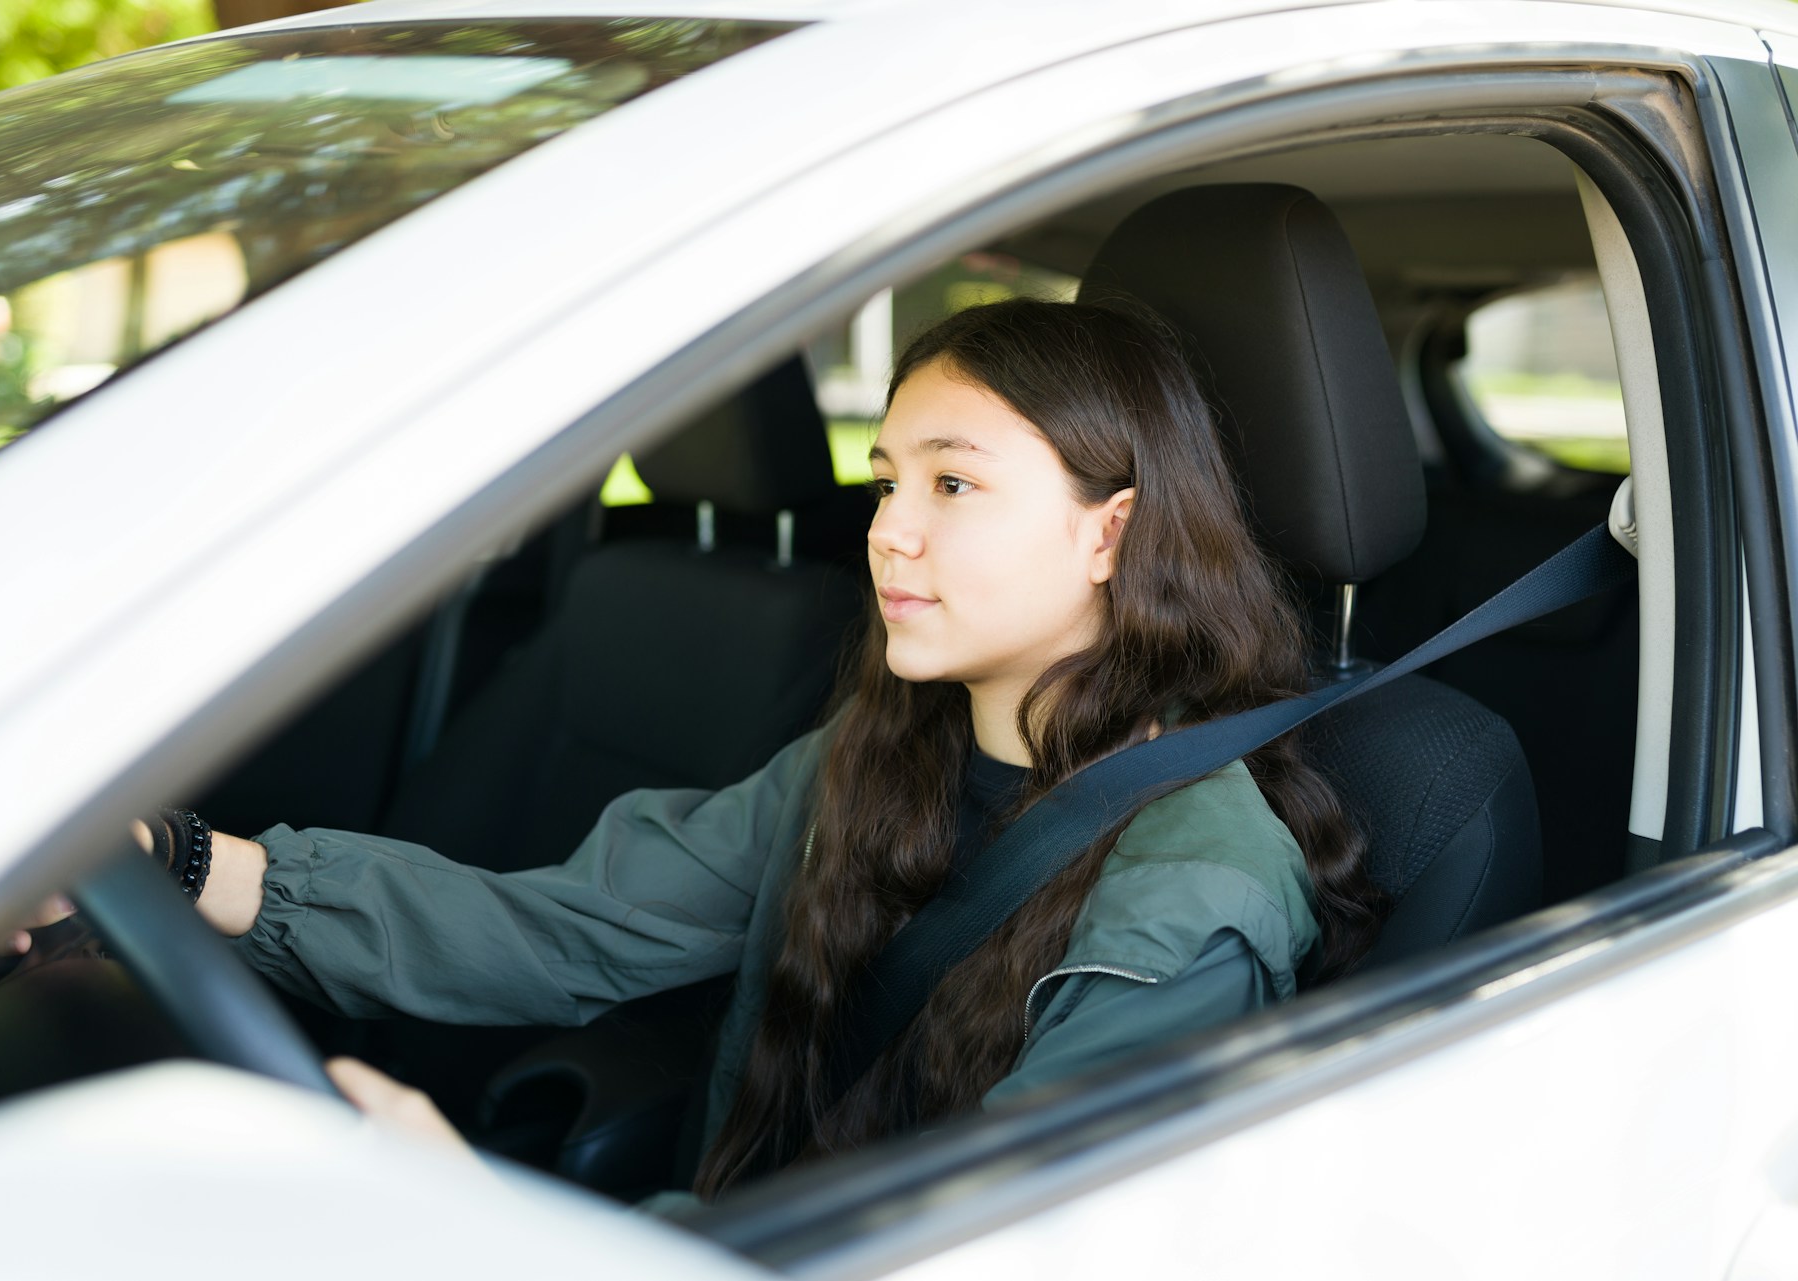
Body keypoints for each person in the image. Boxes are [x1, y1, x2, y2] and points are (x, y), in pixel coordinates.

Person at [158, 296, 1385, 1201]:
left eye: (953, 488)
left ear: (1109, 533)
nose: (889, 534)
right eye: (885, 481)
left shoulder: (1195, 890)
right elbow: (559, 930)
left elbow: (987, 1242)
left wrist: (491, 1223)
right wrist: (184, 861)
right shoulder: (873, 757)